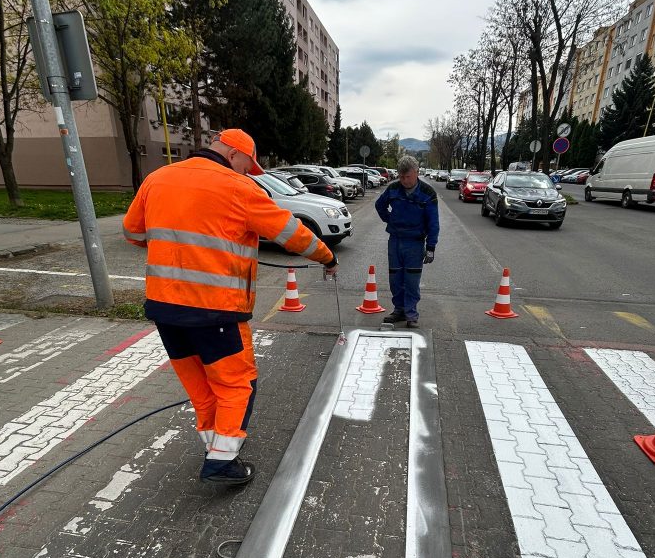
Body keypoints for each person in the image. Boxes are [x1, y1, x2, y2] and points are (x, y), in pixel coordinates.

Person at [123, 129, 338, 486]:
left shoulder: (157, 179)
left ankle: (214, 448)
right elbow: (291, 233)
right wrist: (326, 256)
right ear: (235, 154)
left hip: (165, 308)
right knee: (238, 384)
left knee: (201, 386)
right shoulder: (239, 188)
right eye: (246, 166)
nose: (246, 172)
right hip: (215, 311)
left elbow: (133, 232)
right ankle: (222, 463)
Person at [374, 156, 439, 328]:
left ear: (416, 173)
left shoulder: (428, 193)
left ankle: (411, 314)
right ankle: (399, 310)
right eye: (401, 177)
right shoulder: (394, 189)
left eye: (407, 177)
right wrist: (390, 219)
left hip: (415, 243)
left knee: (411, 279)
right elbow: (379, 205)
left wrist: (431, 247)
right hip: (395, 240)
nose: (404, 181)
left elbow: (433, 223)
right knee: (395, 278)